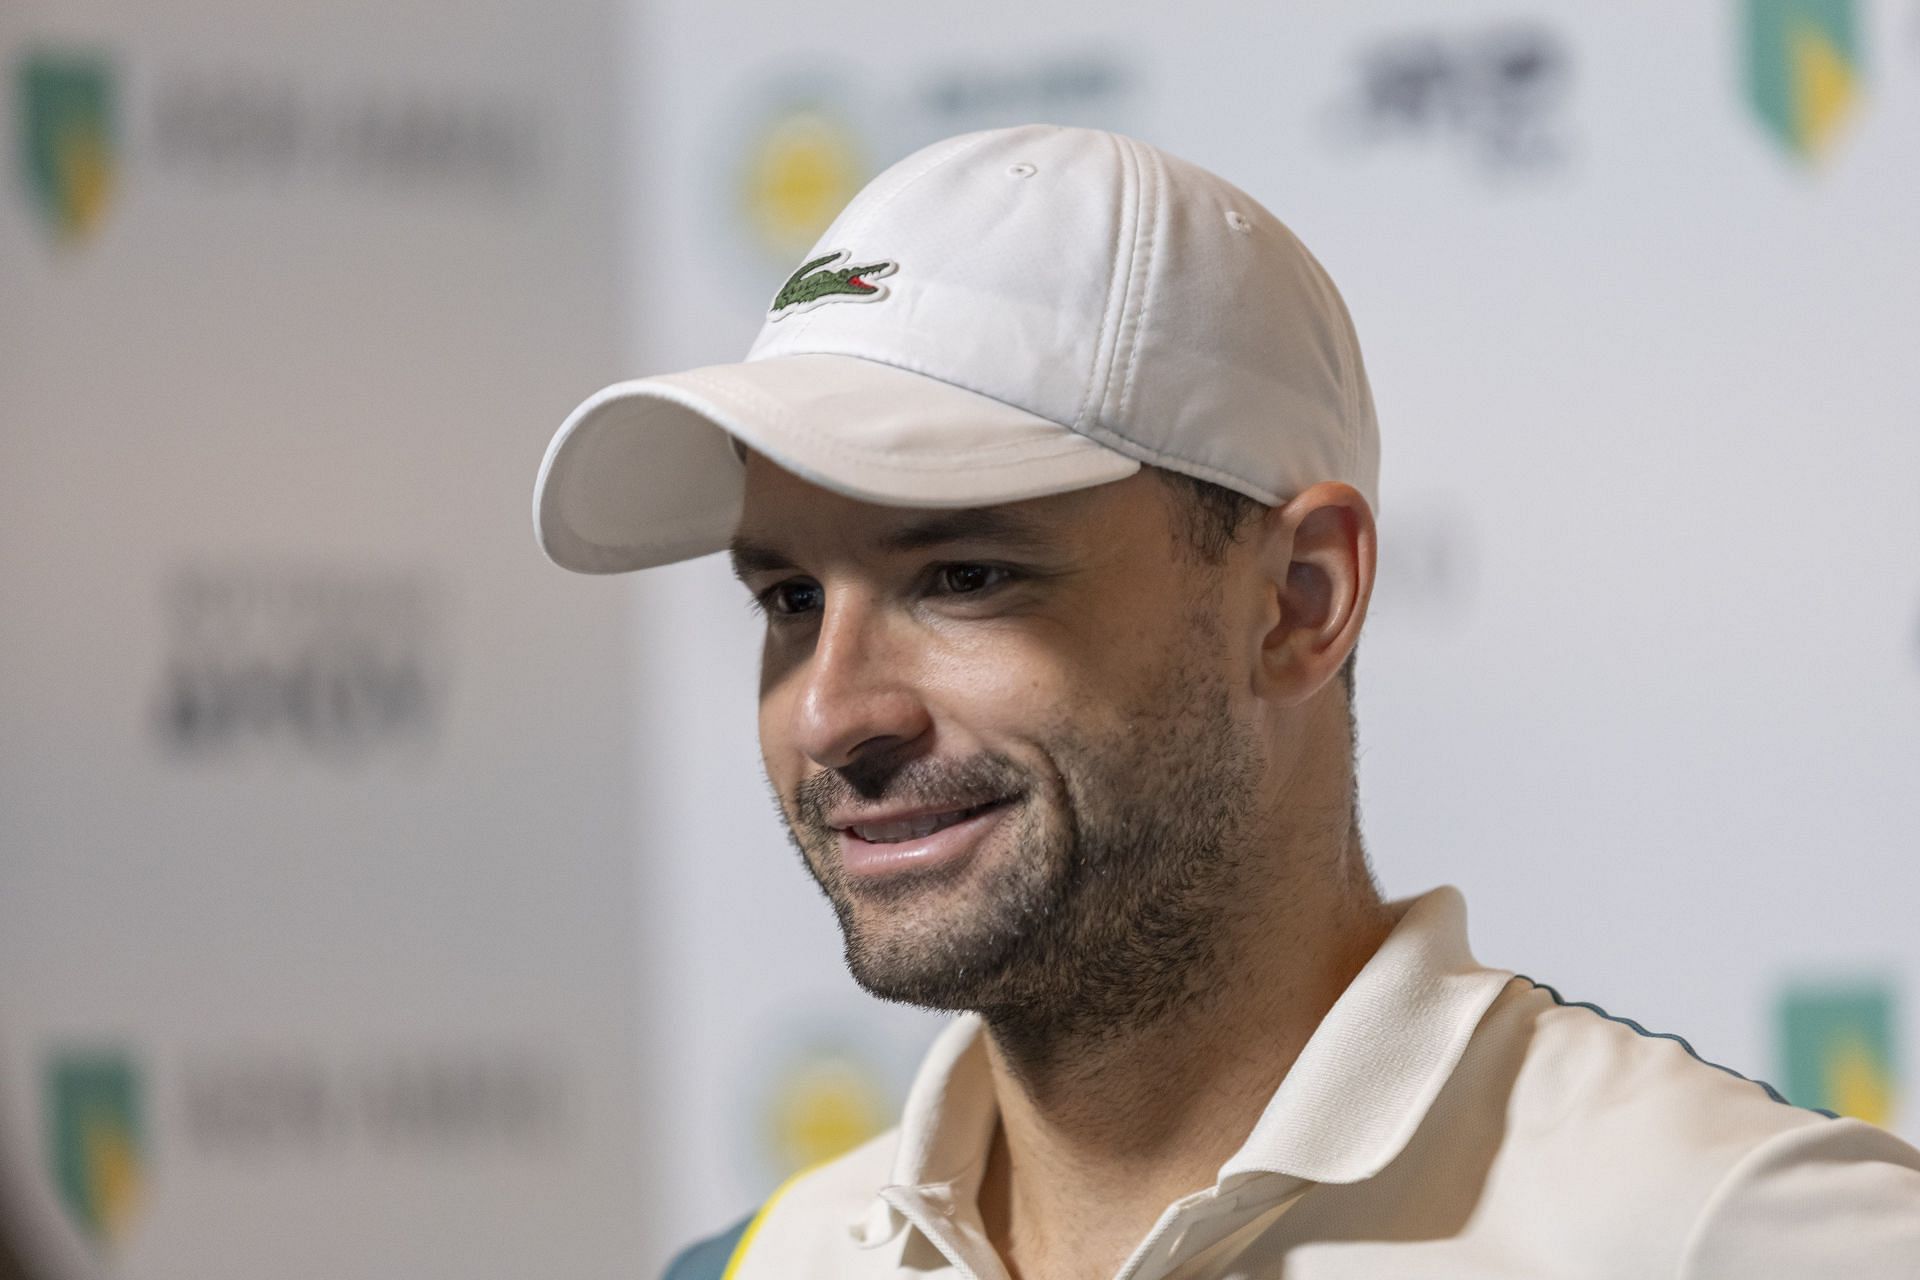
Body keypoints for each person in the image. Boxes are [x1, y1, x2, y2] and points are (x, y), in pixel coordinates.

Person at [532, 124, 1920, 1278]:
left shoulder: (1742, 1237)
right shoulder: (759, 1266)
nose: (833, 712)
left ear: (1298, 600)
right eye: (787, 599)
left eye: (963, 573)